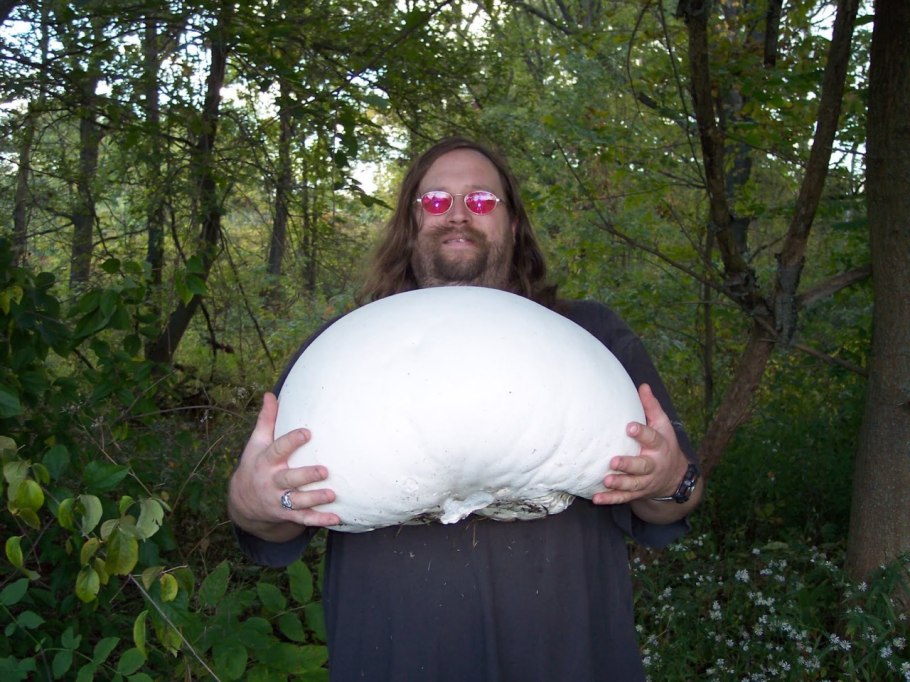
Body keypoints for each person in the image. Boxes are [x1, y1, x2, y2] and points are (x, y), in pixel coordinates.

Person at [228, 136, 702, 681]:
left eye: (480, 199)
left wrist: (670, 479)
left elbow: (673, 503)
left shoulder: (591, 337)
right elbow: (270, 523)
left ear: (513, 223)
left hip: (570, 661)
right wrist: (252, 500)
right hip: (394, 663)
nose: (457, 214)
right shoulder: (344, 352)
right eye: (435, 201)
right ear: (411, 223)